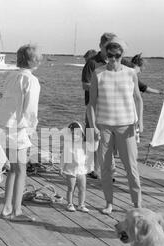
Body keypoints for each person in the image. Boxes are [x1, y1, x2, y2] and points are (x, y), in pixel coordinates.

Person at [88, 42, 143, 214]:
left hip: (126, 126)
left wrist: (140, 121)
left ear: (122, 55)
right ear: (105, 55)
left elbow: (138, 99)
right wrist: (93, 126)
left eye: (117, 56)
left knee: (131, 168)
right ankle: (109, 203)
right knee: (105, 169)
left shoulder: (130, 73)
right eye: (110, 56)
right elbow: (91, 104)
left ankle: (137, 205)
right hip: (104, 127)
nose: (113, 59)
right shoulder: (98, 74)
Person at [0, 44, 42, 221]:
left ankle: (7, 208)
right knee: (21, 170)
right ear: (35, 61)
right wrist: (31, 129)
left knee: (13, 169)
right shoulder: (31, 80)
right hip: (17, 128)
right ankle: (16, 211)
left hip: (2, 125)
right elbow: (30, 109)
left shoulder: (10, 76)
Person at [82, 33, 127, 179]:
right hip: (94, 108)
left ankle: (109, 170)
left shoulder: (117, 62)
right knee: (92, 139)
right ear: (101, 46)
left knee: (108, 141)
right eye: (109, 45)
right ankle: (93, 168)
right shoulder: (92, 63)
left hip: (111, 109)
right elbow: (85, 84)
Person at [59, 121, 92, 212]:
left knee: (82, 188)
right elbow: (63, 158)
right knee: (71, 188)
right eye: (73, 134)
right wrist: (61, 167)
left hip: (81, 171)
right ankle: (70, 204)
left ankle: (81, 205)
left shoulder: (84, 146)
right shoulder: (68, 146)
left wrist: (90, 167)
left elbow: (88, 157)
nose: (75, 136)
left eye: (78, 134)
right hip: (71, 170)